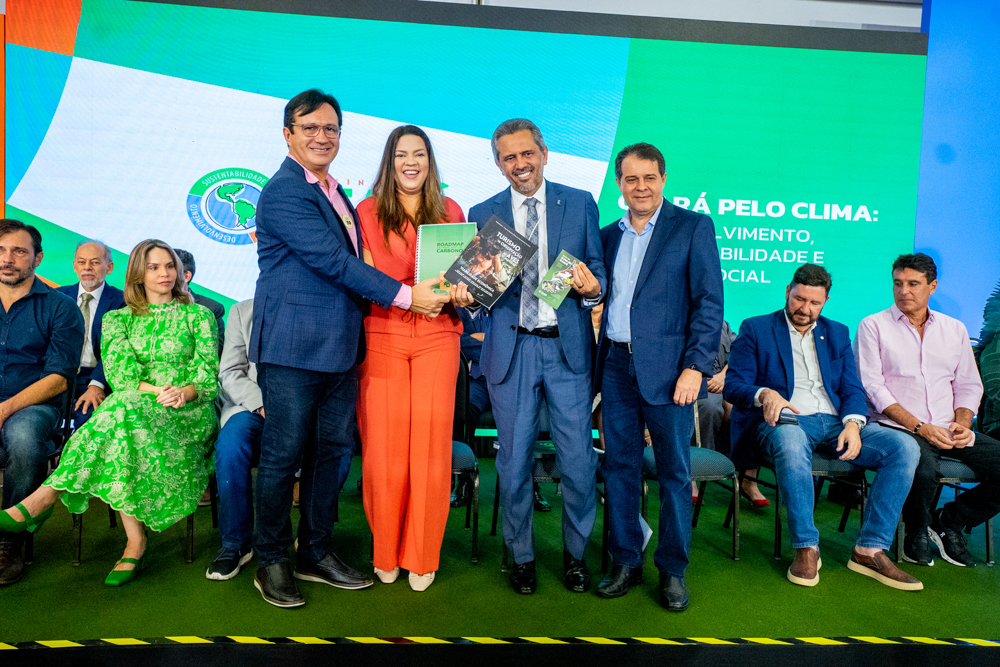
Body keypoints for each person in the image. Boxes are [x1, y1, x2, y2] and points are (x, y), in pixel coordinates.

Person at [248, 89, 449, 608]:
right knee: (282, 457)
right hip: (293, 348)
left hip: (342, 347)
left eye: (330, 128)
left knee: (330, 454)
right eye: (310, 128)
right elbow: (334, 263)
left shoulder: (334, 192)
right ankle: (271, 560)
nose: (322, 137)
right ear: (288, 134)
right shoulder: (284, 192)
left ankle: (315, 552)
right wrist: (408, 295)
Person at [1, 239, 217, 587]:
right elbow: (121, 376)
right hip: (137, 408)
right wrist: (157, 391)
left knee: (119, 412)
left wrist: (183, 393)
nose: (164, 273)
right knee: (123, 420)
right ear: (138, 274)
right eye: (153, 267)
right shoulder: (117, 319)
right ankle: (134, 541)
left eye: (170, 266)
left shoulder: (199, 316)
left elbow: (207, 377)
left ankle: (43, 500)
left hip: (188, 413)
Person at [458, 118, 606, 595]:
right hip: (512, 350)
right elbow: (477, 294)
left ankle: (575, 555)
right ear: (498, 164)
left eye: (527, 153)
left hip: (567, 351)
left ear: (544, 154)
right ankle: (521, 556)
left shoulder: (579, 202)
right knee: (513, 462)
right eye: (509, 157)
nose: (519, 164)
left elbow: (597, 270)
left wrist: (592, 288)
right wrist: (467, 297)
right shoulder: (483, 212)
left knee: (578, 462)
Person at [726, 263, 921, 590]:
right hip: (782, 421)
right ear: (787, 292)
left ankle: (869, 549)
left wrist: (853, 423)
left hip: (833, 423)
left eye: (814, 303)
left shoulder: (837, 333)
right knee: (791, 440)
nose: (805, 309)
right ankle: (806, 546)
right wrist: (764, 394)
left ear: (826, 301)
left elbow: (852, 388)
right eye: (799, 299)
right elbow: (734, 386)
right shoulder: (756, 328)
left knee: (904, 447)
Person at [593, 143, 723, 611]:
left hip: (672, 374)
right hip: (615, 366)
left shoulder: (693, 227)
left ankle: (672, 570)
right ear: (619, 184)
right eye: (631, 179)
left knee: (674, 474)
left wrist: (695, 367)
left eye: (649, 178)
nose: (641, 187)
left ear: (663, 179)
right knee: (619, 469)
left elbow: (709, 303)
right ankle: (625, 561)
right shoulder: (606, 236)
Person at [355, 125, 471, 592]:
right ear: (390, 161)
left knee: (429, 450)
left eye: (419, 154)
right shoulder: (365, 211)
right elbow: (362, 278)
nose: (410, 162)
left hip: (439, 334)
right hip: (382, 332)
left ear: (429, 161)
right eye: (401, 154)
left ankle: (422, 556)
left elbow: (465, 280)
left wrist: (465, 291)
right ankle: (386, 550)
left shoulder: (451, 211)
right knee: (384, 452)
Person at [855, 253, 1000, 568]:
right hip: (897, 428)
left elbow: (968, 385)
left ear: (932, 286)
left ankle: (948, 521)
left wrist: (963, 423)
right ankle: (915, 533)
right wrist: (920, 427)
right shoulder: (873, 326)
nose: (903, 291)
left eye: (913, 284)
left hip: (949, 427)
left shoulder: (954, 329)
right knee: (923, 468)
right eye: (898, 283)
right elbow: (873, 387)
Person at [0, 219, 84, 585]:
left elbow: (59, 378)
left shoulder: (60, 308)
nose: (7, 259)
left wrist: (5, 408)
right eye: (1, 251)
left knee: (23, 437)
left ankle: (9, 540)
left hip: (35, 406)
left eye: (19, 251)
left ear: (37, 259)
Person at [56, 240, 126, 428]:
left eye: (95, 262)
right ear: (74, 266)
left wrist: (97, 384)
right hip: (57, 374)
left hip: (96, 376)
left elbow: (117, 349)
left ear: (109, 267)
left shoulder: (123, 302)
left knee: (88, 417)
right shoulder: (56, 297)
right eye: (81, 262)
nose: (87, 267)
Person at [173, 248, 225, 357]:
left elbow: (213, 355)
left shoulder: (211, 309)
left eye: (170, 268)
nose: (162, 274)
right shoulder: (143, 304)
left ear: (186, 276)